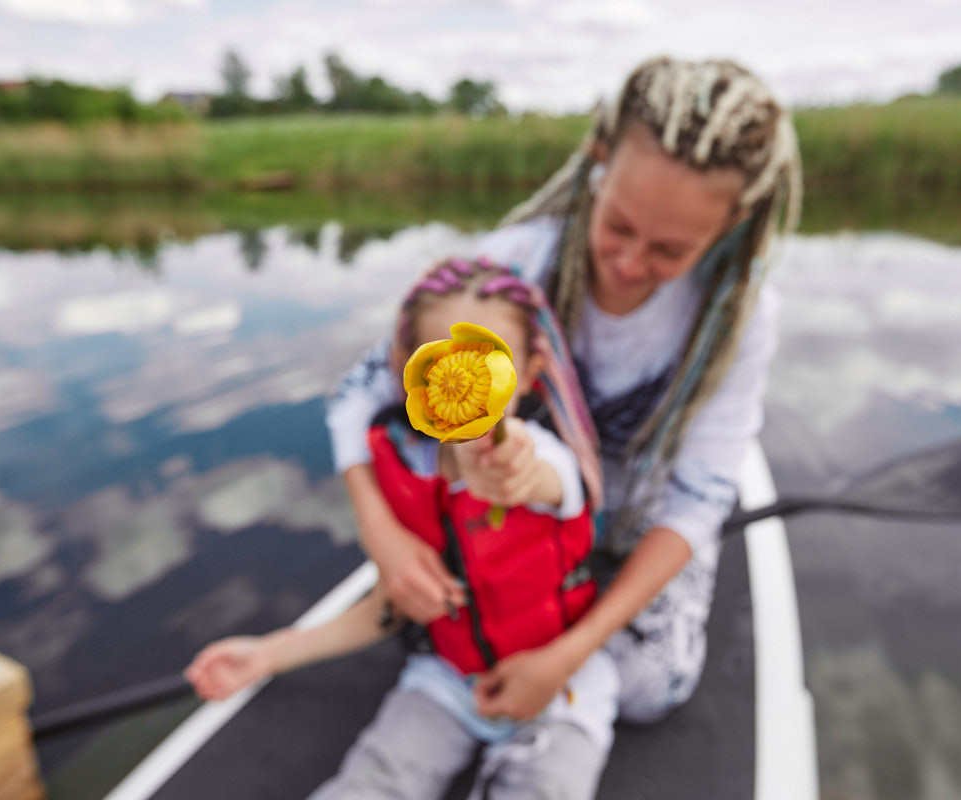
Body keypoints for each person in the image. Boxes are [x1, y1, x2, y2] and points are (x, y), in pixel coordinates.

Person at [326, 56, 802, 728]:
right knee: (426, 627)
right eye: (618, 227)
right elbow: (357, 396)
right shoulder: (510, 269)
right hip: (523, 499)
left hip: (639, 513)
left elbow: (697, 500)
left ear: (731, 225)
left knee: (651, 686)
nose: (631, 265)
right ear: (599, 163)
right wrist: (384, 538)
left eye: (669, 250)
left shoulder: (738, 318)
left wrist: (567, 657)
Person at [187, 256, 619, 799]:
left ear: (529, 373)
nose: (465, 385)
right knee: (372, 783)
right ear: (406, 370)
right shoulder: (404, 475)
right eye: (440, 365)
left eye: (487, 367)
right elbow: (391, 606)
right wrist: (269, 653)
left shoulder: (545, 464)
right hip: (443, 682)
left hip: (564, 691)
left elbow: (541, 476)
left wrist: (517, 470)